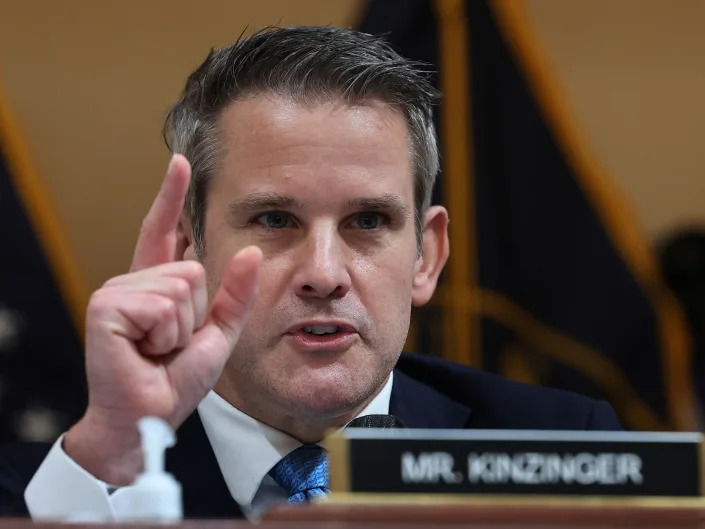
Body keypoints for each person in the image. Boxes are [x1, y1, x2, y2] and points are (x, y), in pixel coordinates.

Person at [0, 26, 620, 520]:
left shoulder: (563, 447)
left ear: (426, 257)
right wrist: (112, 452)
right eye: (274, 219)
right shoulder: (46, 490)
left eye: (369, 220)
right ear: (191, 247)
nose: (323, 274)